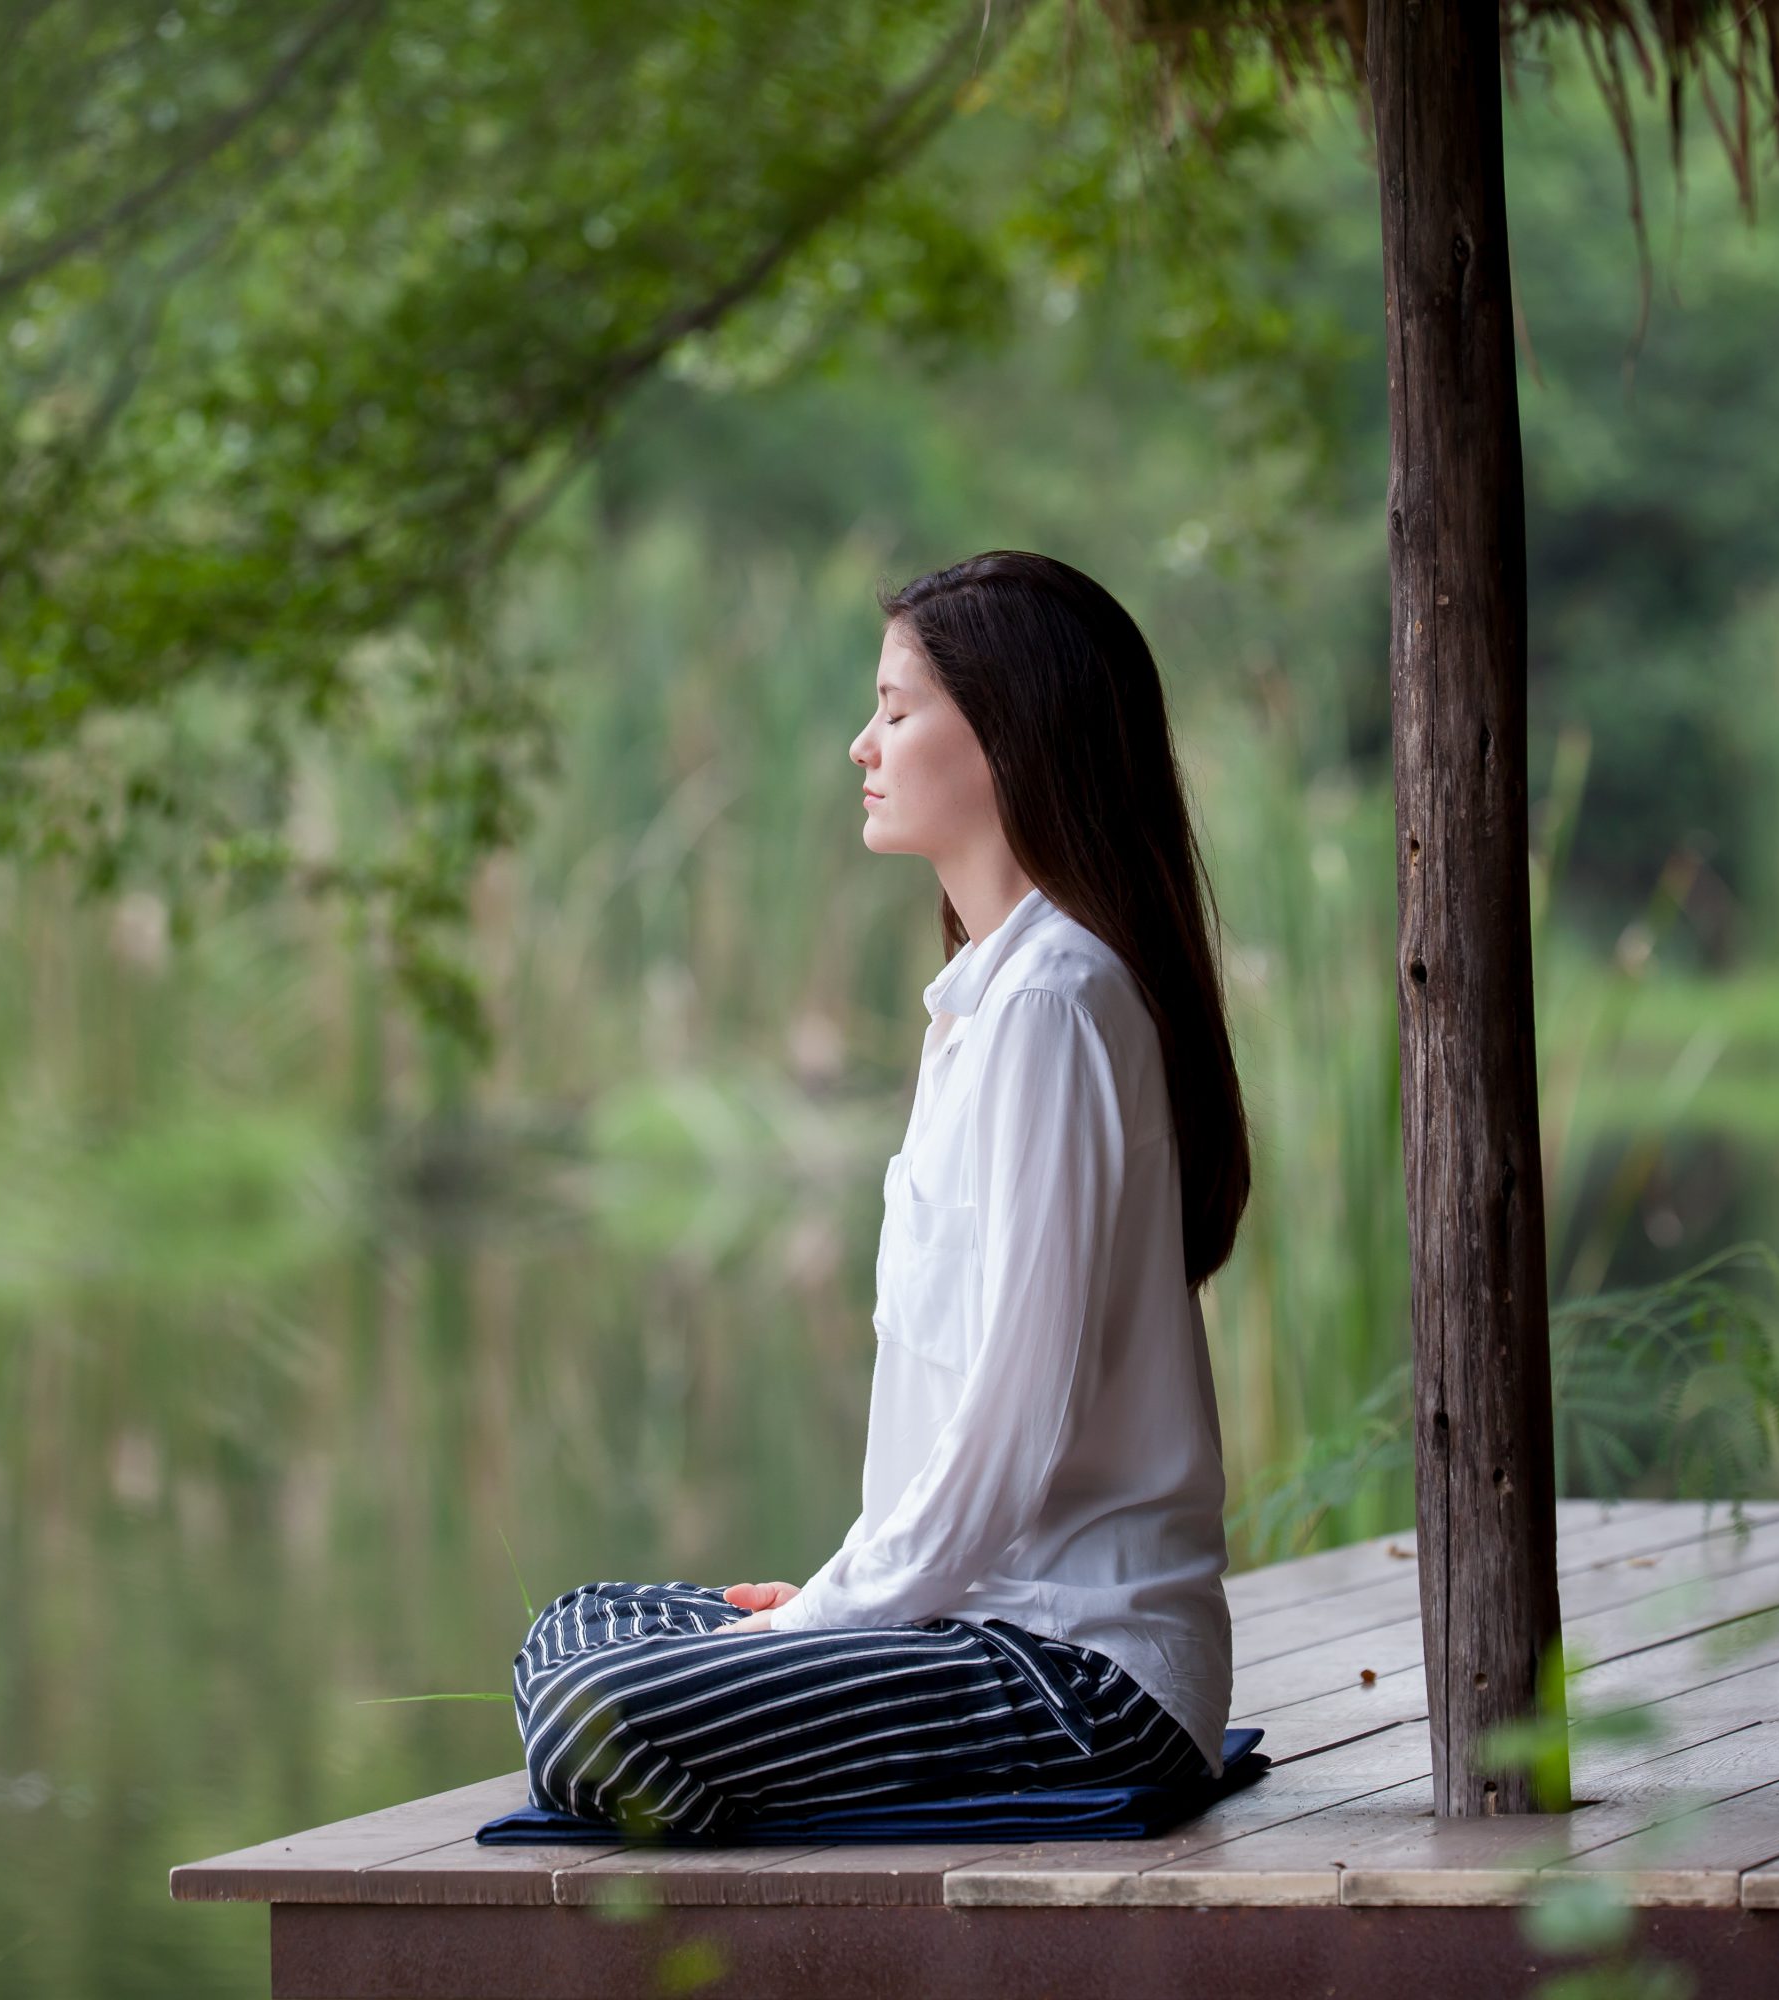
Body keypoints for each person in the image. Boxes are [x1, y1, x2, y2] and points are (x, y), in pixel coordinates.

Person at [509, 550, 1253, 1836]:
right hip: (970, 1626)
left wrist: (826, 1618)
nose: (863, 743)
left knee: (598, 1706)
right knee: (578, 1624)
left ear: (1010, 736)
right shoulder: (978, 1002)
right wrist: (834, 1600)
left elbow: (1011, 1430)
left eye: (897, 710)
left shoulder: (1056, 1005)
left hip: (1081, 1676)